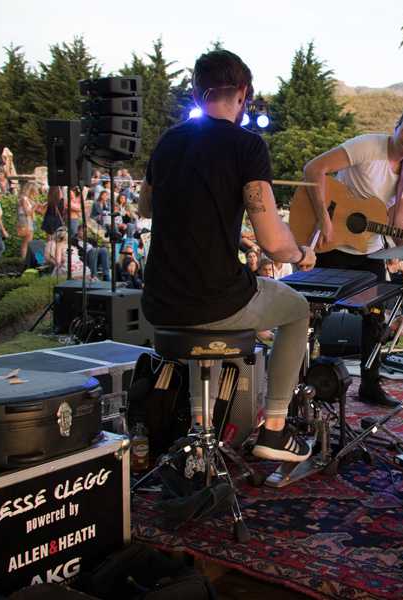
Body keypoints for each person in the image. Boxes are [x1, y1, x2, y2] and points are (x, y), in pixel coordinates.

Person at [139, 49, 316, 463]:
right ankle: (274, 429)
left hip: (159, 303)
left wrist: (231, 236)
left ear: (198, 92)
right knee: (298, 310)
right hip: (213, 301)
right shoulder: (247, 145)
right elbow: (275, 242)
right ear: (242, 92)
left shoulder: (168, 141)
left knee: (217, 308)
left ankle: (201, 429)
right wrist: (303, 252)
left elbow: (149, 208)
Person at [303, 105, 403, 408]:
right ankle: (305, 382)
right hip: (332, 243)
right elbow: (313, 169)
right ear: (396, 126)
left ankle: (370, 385)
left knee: (374, 321)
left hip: (369, 250)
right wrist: (324, 219)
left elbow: (396, 218)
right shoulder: (366, 146)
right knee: (312, 315)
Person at [17, 182, 44, 260]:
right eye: (35, 191)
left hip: (29, 221)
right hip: (26, 221)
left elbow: (40, 211)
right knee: (26, 242)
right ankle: (24, 260)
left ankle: (25, 259)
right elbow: (27, 212)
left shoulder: (28, 199)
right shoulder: (24, 198)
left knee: (27, 241)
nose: (36, 193)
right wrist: (35, 207)